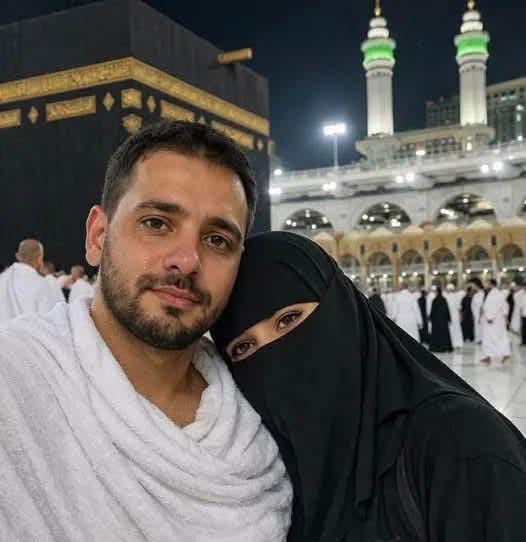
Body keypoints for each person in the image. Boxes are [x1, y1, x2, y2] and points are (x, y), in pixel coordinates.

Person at [0, 121, 291, 540]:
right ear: (98, 236)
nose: (187, 261)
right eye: (156, 223)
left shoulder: (259, 410)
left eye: (217, 240)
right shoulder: (14, 381)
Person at [211, 231, 526, 542]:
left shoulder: (459, 445)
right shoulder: (266, 477)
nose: (275, 357)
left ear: (340, 308)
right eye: (244, 347)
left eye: (288, 319)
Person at [0, 239, 59, 322]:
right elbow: (48, 322)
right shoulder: (42, 284)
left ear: (18, 256)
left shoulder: (3, 278)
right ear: (39, 259)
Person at [480, 278, 512, 365]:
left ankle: (506, 355)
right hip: (488, 320)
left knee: (501, 337)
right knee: (487, 338)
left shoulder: (498, 294)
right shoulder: (489, 294)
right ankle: (488, 356)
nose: (485, 285)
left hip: (498, 321)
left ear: (491, 284)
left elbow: (505, 306)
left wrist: (506, 318)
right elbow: (486, 306)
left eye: (487, 283)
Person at [429, 286, 453, 353]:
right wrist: (449, 318)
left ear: (437, 292)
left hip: (436, 321)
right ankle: (445, 347)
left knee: (436, 334)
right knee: (444, 334)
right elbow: (447, 310)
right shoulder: (444, 300)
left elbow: (433, 310)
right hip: (443, 320)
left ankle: (436, 348)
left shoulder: (435, 300)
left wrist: (430, 318)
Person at [445, 283, 463, 350]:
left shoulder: (446, 297)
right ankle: (458, 344)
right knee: (457, 329)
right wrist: (461, 316)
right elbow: (459, 308)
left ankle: (452, 343)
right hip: (455, 316)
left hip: (449, 317)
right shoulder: (456, 296)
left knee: (450, 330)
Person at [469, 277, 485, 344]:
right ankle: (478, 339)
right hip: (476, 315)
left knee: (481, 328)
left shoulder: (482, 293)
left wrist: (480, 316)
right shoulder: (476, 294)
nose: (471, 287)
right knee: (477, 328)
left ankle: (481, 339)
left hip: (481, 316)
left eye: (472, 285)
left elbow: (482, 306)